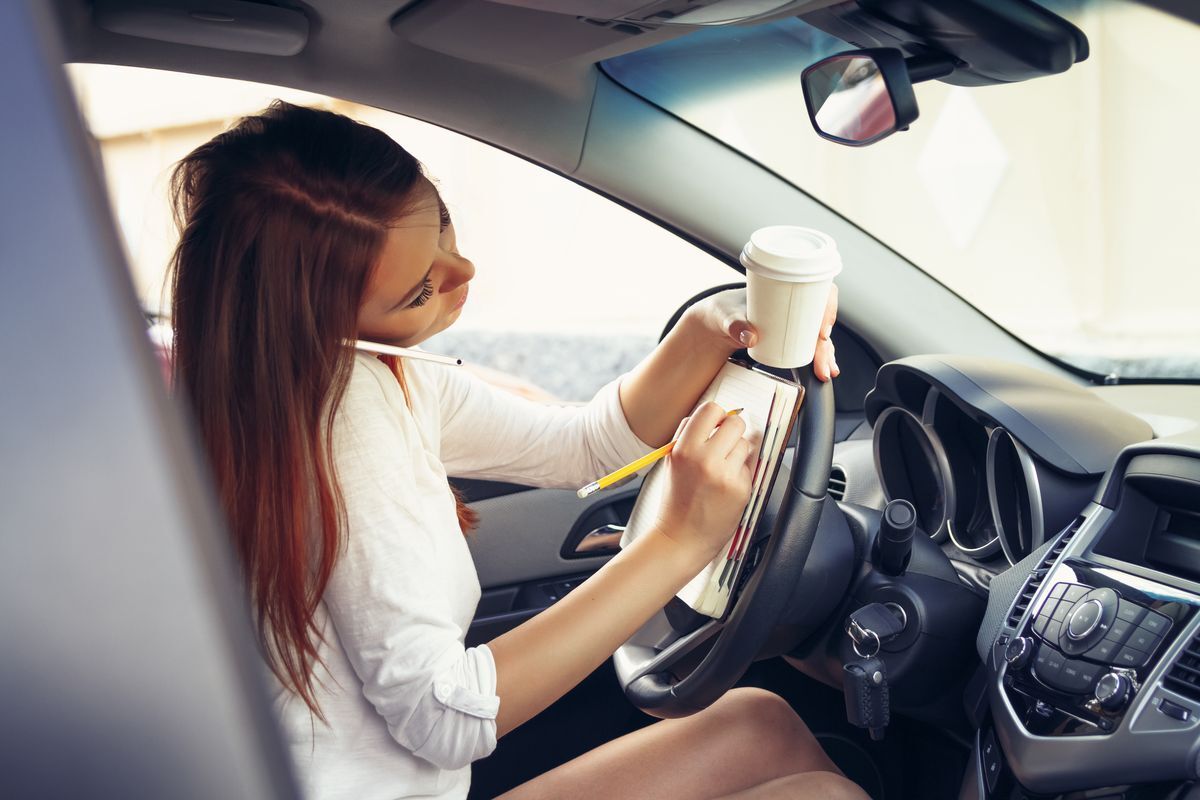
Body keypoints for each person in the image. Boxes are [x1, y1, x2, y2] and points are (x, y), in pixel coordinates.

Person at [168, 101, 866, 800]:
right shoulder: (343, 427)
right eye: (420, 290)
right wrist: (681, 540)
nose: (463, 268)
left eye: (440, 222)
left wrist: (717, 323)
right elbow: (444, 716)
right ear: (319, 319)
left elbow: (582, 445)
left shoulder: (346, 376)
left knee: (758, 723)